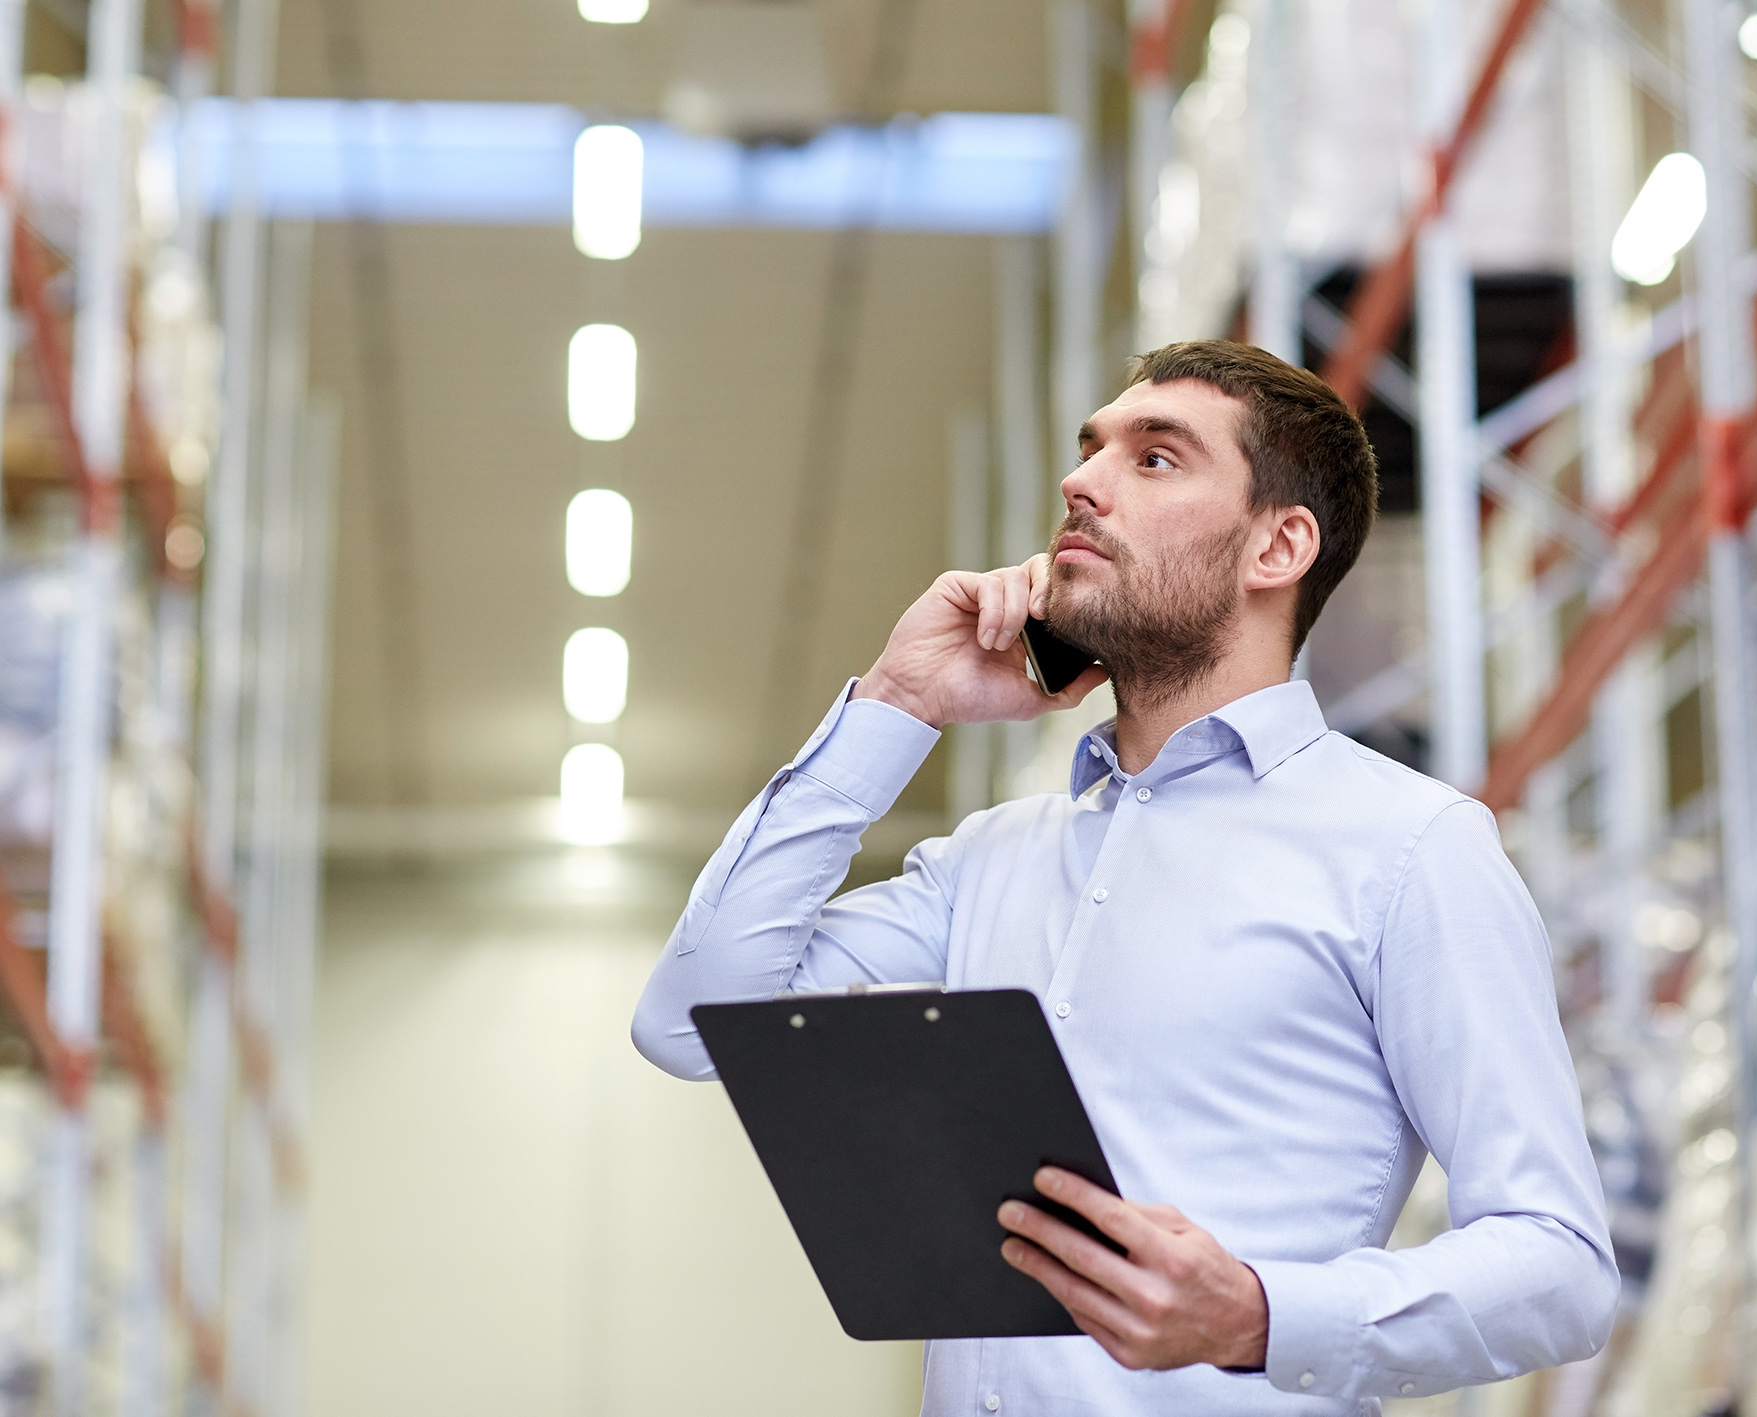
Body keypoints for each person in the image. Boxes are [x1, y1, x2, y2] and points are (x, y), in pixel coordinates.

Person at [632, 340, 1617, 1414]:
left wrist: (1258, 1313)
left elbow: (1556, 1266)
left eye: (1152, 460)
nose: (1079, 482)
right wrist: (896, 703)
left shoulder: (1409, 847)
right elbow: (692, 1020)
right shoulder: (990, 860)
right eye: (1090, 449)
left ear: (1277, 547)